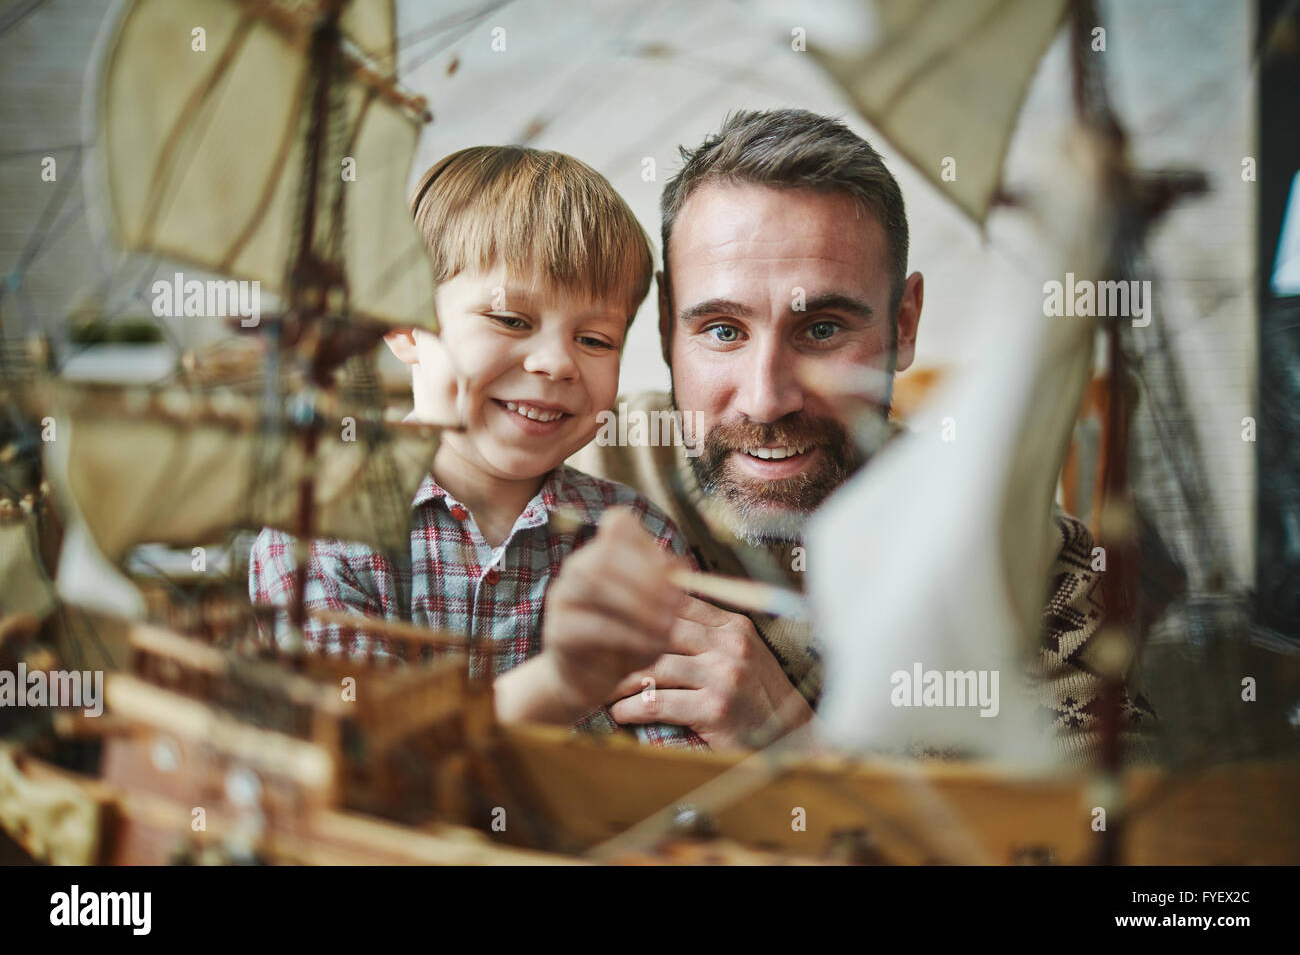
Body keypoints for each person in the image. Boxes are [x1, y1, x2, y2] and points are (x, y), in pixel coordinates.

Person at [571, 109, 1156, 763]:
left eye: (822, 329)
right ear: (665, 329)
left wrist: (801, 746)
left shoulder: (1006, 552)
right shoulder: (569, 466)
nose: (767, 399)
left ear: (903, 325)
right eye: (723, 331)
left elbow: (1108, 821)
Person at [250, 146, 704, 748]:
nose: (555, 363)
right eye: (511, 321)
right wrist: (562, 682)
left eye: (595, 339)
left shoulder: (641, 542)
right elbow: (356, 756)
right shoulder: (317, 528)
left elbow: (679, 782)